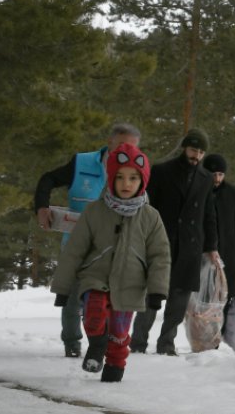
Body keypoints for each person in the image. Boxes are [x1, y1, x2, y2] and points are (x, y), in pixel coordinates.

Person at [50, 143, 170, 383]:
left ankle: (114, 369)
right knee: (94, 314)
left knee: (119, 333)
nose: (127, 184)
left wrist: (157, 290)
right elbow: (74, 251)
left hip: (131, 283)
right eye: (121, 177)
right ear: (111, 178)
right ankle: (96, 345)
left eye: (133, 178)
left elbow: (160, 255)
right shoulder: (95, 211)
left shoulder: (150, 217)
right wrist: (62, 288)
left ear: (142, 181)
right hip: (95, 278)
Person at [34, 123, 141, 357]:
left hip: (113, 249)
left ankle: (103, 344)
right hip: (77, 246)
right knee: (73, 298)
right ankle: (72, 343)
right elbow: (47, 179)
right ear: (110, 141)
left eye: (131, 148)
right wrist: (42, 208)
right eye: (122, 145)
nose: (125, 152)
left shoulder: (137, 173)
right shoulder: (82, 163)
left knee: (106, 302)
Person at [130, 129, 220, 355]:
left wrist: (211, 247)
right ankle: (138, 342)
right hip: (161, 241)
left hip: (190, 246)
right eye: (193, 150)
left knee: (179, 301)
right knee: (152, 295)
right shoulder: (162, 171)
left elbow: (209, 214)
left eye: (200, 152)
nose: (196, 155)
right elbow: (148, 208)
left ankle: (166, 344)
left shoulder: (206, 178)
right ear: (184, 148)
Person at [202, 153, 235, 335]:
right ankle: (206, 334)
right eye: (213, 174)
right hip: (206, 254)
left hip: (229, 253)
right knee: (207, 296)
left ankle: (221, 334)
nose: (217, 179)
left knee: (229, 296)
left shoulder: (232, 192)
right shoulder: (199, 191)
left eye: (220, 174)